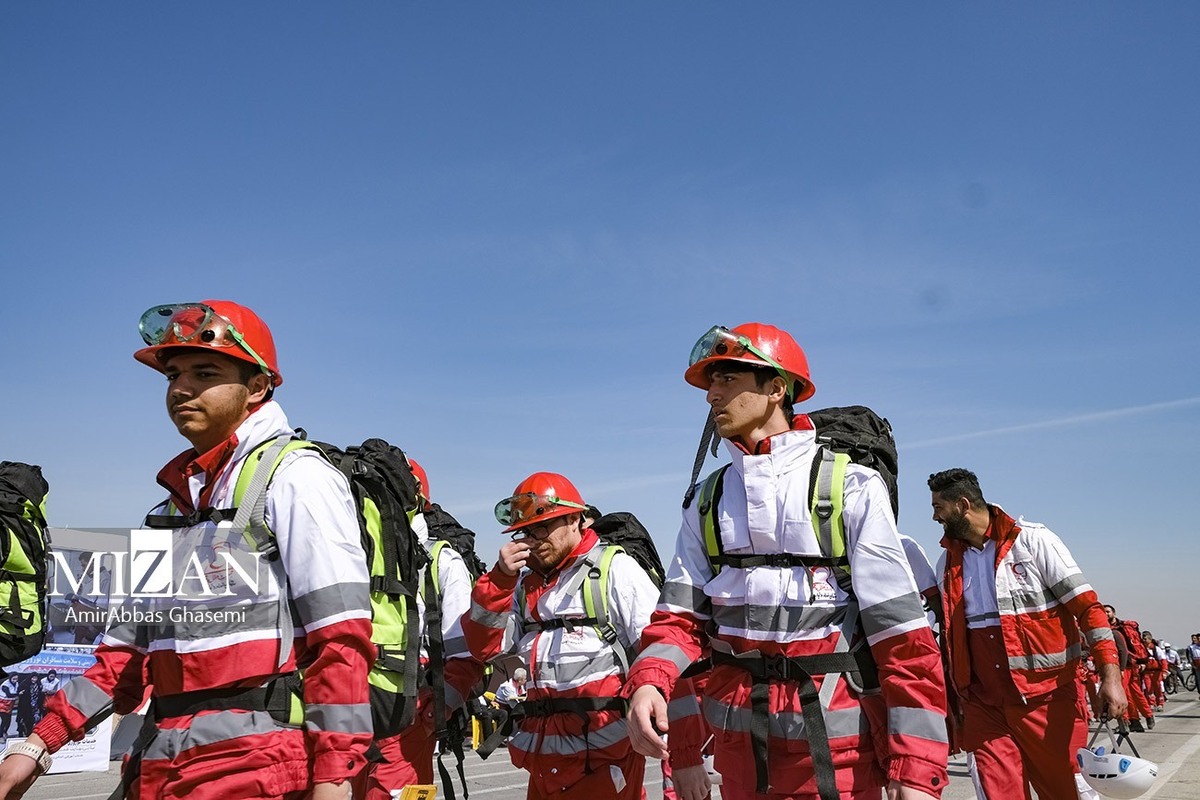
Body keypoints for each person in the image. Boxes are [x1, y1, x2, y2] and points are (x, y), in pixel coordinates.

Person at [0, 300, 374, 800]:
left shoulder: (296, 477)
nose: (181, 388)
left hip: (260, 769)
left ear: (257, 387)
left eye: (204, 372)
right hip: (163, 764)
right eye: (173, 375)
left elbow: (340, 639)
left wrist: (332, 780)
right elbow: (123, 653)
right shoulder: (172, 509)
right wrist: (36, 746)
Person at [627, 323, 949, 800]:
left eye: (728, 379)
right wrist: (648, 681)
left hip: (836, 757)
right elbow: (678, 618)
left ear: (777, 388)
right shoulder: (706, 500)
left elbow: (902, 639)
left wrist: (917, 769)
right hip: (739, 756)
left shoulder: (852, 487)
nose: (712, 394)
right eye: (710, 382)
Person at [929, 468, 1127, 800]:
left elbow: (1088, 609)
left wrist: (1112, 677)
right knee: (997, 793)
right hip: (983, 706)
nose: (935, 516)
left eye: (939, 507)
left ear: (963, 505)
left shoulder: (1034, 542)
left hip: (1048, 702)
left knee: (1066, 791)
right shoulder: (946, 564)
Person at [462, 472, 659, 799]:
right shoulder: (523, 588)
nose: (533, 539)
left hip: (603, 764)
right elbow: (486, 650)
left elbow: (660, 656)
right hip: (543, 765)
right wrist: (498, 581)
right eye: (526, 532)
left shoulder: (615, 570)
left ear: (575, 519)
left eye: (543, 527)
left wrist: (685, 753)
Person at [351, 457, 486, 800]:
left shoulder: (442, 561)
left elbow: (466, 652)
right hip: (352, 714)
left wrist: (437, 709)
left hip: (410, 717)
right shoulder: (358, 552)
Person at [1104, 604, 1155, 732]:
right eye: (1104, 612)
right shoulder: (1123, 627)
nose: (1106, 614)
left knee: (1124, 693)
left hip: (1124, 665)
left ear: (1114, 613)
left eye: (1108, 612)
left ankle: (1126, 721)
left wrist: (1121, 668)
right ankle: (1139, 719)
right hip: (1131, 664)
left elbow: (1124, 649)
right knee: (1134, 692)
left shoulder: (1117, 629)